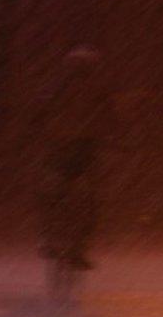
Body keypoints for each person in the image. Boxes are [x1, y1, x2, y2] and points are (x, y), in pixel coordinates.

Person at [34, 47, 114, 271]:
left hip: (62, 146)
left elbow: (39, 111)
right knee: (89, 198)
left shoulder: (56, 87)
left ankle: (49, 237)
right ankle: (75, 247)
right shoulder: (97, 89)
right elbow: (111, 118)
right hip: (80, 147)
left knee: (54, 191)